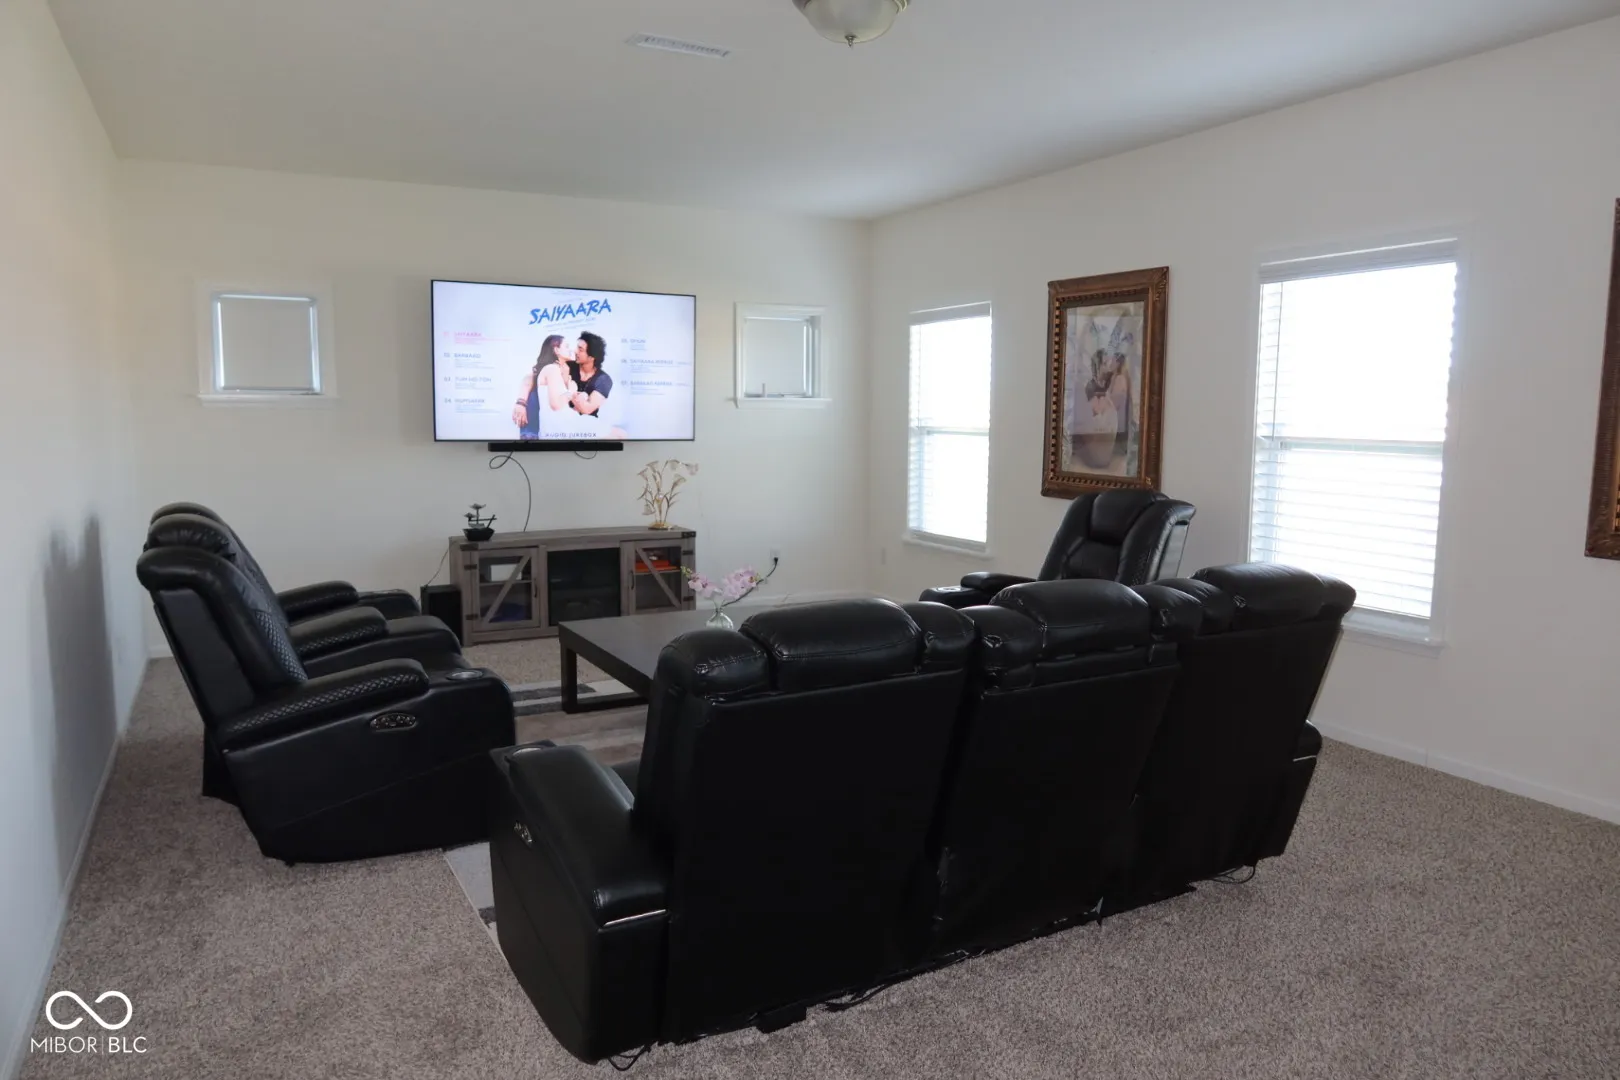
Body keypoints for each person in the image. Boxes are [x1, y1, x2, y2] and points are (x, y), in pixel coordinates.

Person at [511, 335, 569, 440]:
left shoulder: (566, 369)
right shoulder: (549, 369)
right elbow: (529, 379)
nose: (571, 350)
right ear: (556, 350)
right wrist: (521, 402)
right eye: (567, 346)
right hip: (535, 430)